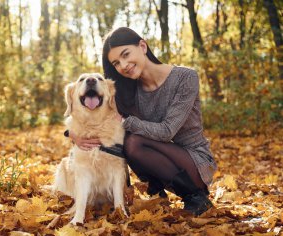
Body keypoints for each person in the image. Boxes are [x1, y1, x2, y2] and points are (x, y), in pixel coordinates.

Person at [67, 27, 217, 216]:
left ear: (143, 46)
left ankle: (196, 197)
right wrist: (72, 134)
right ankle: (157, 193)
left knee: (132, 139)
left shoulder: (186, 78)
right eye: (116, 63)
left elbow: (167, 131)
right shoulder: (127, 91)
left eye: (126, 54)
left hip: (195, 162)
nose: (124, 65)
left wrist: (125, 121)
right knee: (127, 138)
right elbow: (98, 117)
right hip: (159, 162)